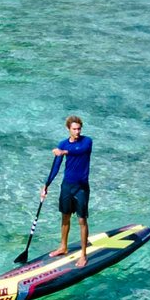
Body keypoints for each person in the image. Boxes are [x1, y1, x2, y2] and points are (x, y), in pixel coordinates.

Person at [44, 114, 93, 266]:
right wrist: (46, 186)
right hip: (67, 186)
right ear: (68, 129)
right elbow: (56, 167)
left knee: (82, 220)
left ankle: (83, 255)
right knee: (65, 217)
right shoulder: (63, 143)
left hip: (81, 188)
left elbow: (80, 151)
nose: (77, 132)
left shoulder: (87, 142)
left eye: (79, 129)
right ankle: (63, 246)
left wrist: (64, 152)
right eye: (74, 129)